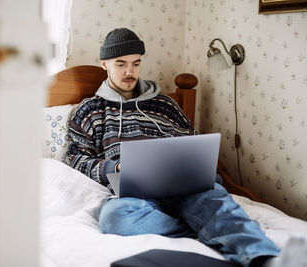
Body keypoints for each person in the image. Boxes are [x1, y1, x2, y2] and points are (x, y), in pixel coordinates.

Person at [65, 27, 307, 267]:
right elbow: (75, 158)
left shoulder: (166, 104)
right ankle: (207, 230)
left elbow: (191, 142)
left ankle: (264, 258)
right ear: (105, 64)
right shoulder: (90, 110)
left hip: (184, 187)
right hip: (134, 193)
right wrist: (116, 166)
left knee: (216, 201)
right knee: (116, 218)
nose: (130, 72)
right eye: (121, 64)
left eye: (136, 63)